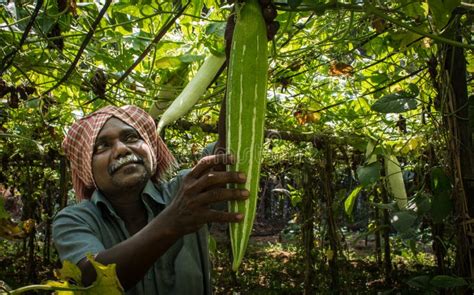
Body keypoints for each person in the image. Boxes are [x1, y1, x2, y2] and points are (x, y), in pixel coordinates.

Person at [52, 105, 248, 294]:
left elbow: (232, 150)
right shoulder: (73, 220)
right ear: (87, 166)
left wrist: (234, 72)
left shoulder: (186, 191)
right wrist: (173, 221)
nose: (122, 149)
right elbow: (92, 278)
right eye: (102, 146)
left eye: (131, 137)